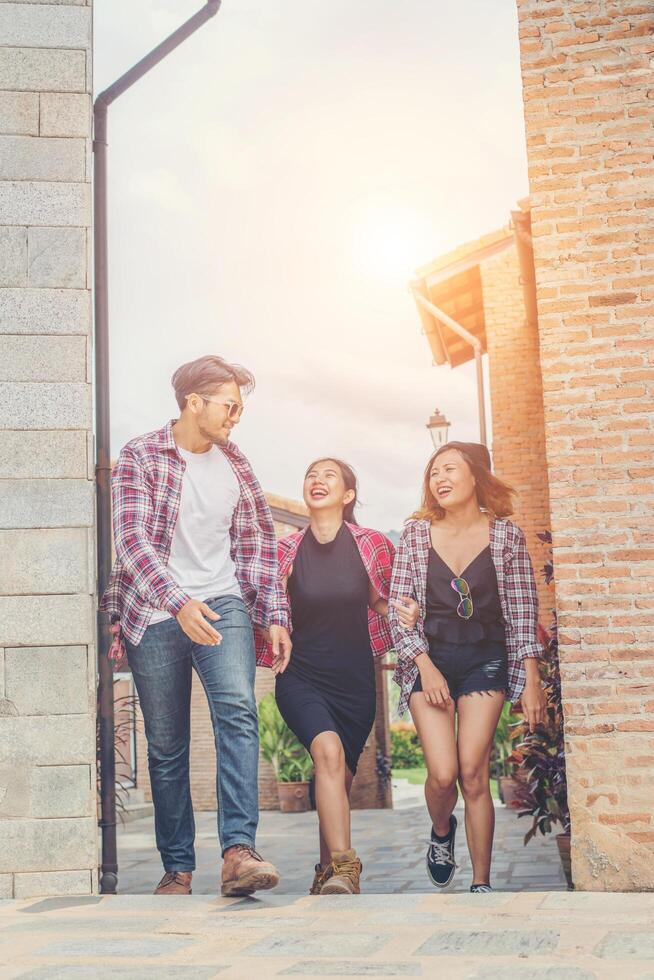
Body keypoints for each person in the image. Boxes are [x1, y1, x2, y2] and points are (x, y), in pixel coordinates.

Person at [101, 355, 292, 897]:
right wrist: (177, 601)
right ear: (194, 402)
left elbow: (258, 544)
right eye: (229, 405)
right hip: (154, 612)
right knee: (165, 745)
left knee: (236, 709)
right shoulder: (141, 454)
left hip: (222, 600)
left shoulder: (238, 464)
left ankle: (237, 852)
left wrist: (273, 613)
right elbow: (132, 540)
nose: (236, 416)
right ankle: (178, 869)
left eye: (239, 407)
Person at [388, 442, 546, 893]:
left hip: (486, 658)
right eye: (433, 470)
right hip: (428, 659)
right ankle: (442, 832)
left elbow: (521, 610)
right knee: (442, 774)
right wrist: (425, 665)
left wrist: (531, 678)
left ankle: (481, 883)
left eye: (450, 469)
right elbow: (399, 610)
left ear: (475, 476)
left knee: (473, 771)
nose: (439, 478)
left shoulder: (506, 537)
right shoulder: (416, 535)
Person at [272, 458, 419, 896]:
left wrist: (401, 609)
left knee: (336, 777)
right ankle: (346, 868)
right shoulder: (285, 552)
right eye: (311, 474)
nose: (317, 480)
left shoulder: (370, 544)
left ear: (348, 495)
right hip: (301, 677)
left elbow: (380, 600)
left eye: (328, 475)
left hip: (355, 682)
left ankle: (326, 874)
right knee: (329, 755)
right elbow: (268, 608)